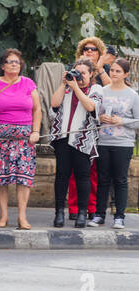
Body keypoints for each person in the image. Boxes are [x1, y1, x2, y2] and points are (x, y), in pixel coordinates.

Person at [0, 47, 41, 230]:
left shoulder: (29, 83)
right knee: (1, 178)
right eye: (10, 61)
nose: (14, 65)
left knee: (24, 177)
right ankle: (3, 215)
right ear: (3, 66)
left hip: (24, 139)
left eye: (17, 62)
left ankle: (22, 216)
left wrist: (36, 131)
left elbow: (37, 109)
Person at [48, 58, 101, 228]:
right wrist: (64, 84)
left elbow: (91, 107)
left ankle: (82, 214)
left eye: (83, 73)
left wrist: (76, 87)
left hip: (82, 140)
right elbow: (54, 104)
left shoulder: (96, 89)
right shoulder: (67, 87)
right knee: (62, 176)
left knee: (83, 177)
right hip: (63, 138)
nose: (79, 76)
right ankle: (59, 214)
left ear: (91, 74)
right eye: (77, 71)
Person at [94, 57, 139, 228]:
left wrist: (122, 121)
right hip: (103, 141)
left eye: (118, 71)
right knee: (103, 179)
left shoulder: (132, 95)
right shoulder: (103, 91)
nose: (113, 73)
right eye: (112, 70)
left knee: (120, 180)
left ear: (126, 74)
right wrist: (100, 118)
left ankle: (119, 216)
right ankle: (99, 215)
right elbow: (93, 116)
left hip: (123, 144)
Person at [68, 36, 106, 220]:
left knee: (92, 173)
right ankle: (74, 208)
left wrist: (100, 69)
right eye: (85, 49)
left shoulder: (105, 72)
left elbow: (112, 88)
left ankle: (91, 207)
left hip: (99, 128)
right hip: (76, 128)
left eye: (93, 49)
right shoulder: (74, 72)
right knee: (76, 172)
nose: (89, 51)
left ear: (99, 53)